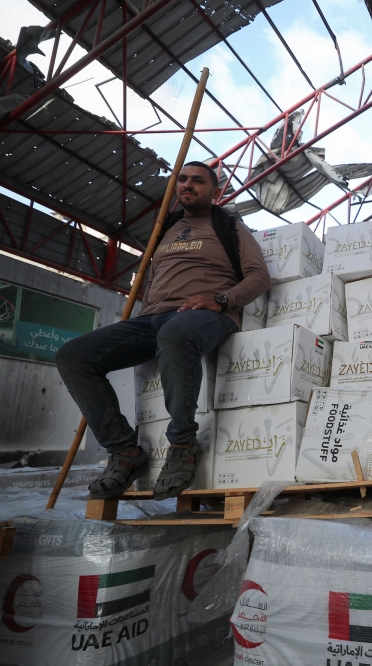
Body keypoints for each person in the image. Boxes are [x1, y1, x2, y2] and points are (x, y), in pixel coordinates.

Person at [57, 162, 271, 500]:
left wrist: (220, 299)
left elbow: (259, 277)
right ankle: (125, 451)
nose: (187, 185)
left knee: (176, 333)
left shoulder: (230, 226)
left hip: (204, 315)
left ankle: (183, 445)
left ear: (216, 193)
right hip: (152, 319)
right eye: (182, 179)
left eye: (197, 181)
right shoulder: (165, 230)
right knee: (73, 356)